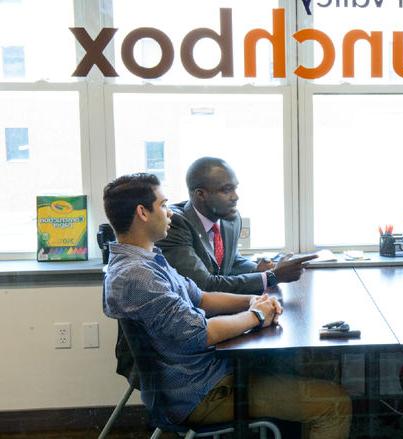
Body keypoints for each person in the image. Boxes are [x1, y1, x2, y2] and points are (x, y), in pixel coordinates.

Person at [102, 173, 351, 438]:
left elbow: (201, 297)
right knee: (334, 404)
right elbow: (201, 333)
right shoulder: (137, 275)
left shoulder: (147, 259)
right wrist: (256, 315)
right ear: (142, 212)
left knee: (290, 367)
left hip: (202, 376)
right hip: (199, 392)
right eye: (163, 205)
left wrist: (253, 300)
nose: (170, 213)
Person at [157, 157, 314, 294]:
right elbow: (204, 285)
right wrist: (272, 277)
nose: (235, 197)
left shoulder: (230, 219)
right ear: (201, 194)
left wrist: (256, 269)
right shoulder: (175, 224)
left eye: (235, 188)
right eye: (226, 190)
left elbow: (230, 261)